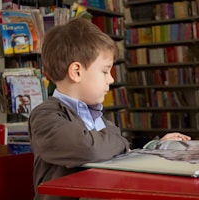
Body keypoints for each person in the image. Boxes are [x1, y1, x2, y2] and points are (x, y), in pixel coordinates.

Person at [28, 18, 191, 200]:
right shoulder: (45, 116)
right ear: (76, 72)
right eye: (105, 71)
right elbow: (90, 149)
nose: (111, 79)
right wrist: (119, 141)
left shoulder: (94, 114)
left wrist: (155, 146)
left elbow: (114, 148)